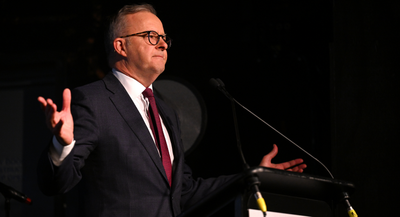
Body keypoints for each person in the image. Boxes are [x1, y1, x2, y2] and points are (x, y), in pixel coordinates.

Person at [37, 3, 306, 217]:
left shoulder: (165, 111)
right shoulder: (93, 100)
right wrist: (63, 146)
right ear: (121, 46)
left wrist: (253, 178)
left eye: (164, 38)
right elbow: (55, 185)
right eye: (151, 36)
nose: (163, 44)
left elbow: (184, 191)